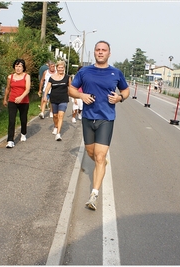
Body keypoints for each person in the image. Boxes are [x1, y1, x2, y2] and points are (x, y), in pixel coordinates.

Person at [68, 40, 130, 211]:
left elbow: (125, 90)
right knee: (92, 153)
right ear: (94, 52)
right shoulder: (85, 71)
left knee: (100, 157)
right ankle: (100, 164)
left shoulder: (116, 73)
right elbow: (71, 89)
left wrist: (120, 98)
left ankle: (93, 195)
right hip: (88, 118)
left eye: (104, 50)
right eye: (98, 50)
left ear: (109, 53)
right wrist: (82, 96)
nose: (101, 52)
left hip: (106, 118)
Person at [3, 59, 31, 148]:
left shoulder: (27, 76)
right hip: (12, 101)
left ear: (23, 67)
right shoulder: (10, 77)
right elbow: (8, 88)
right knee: (11, 120)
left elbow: (27, 89)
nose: (18, 68)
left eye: (20, 66)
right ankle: (10, 140)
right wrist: (5, 99)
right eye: (16, 66)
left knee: (23, 119)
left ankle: (23, 133)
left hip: (24, 101)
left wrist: (21, 97)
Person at [43, 60, 71, 141]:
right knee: (55, 116)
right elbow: (47, 88)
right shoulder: (52, 78)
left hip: (64, 99)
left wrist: (75, 98)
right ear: (57, 68)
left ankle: (58, 134)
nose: (61, 69)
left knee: (60, 115)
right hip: (54, 99)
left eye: (62, 67)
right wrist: (45, 96)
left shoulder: (67, 77)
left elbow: (71, 88)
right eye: (59, 67)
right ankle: (56, 126)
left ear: (64, 68)